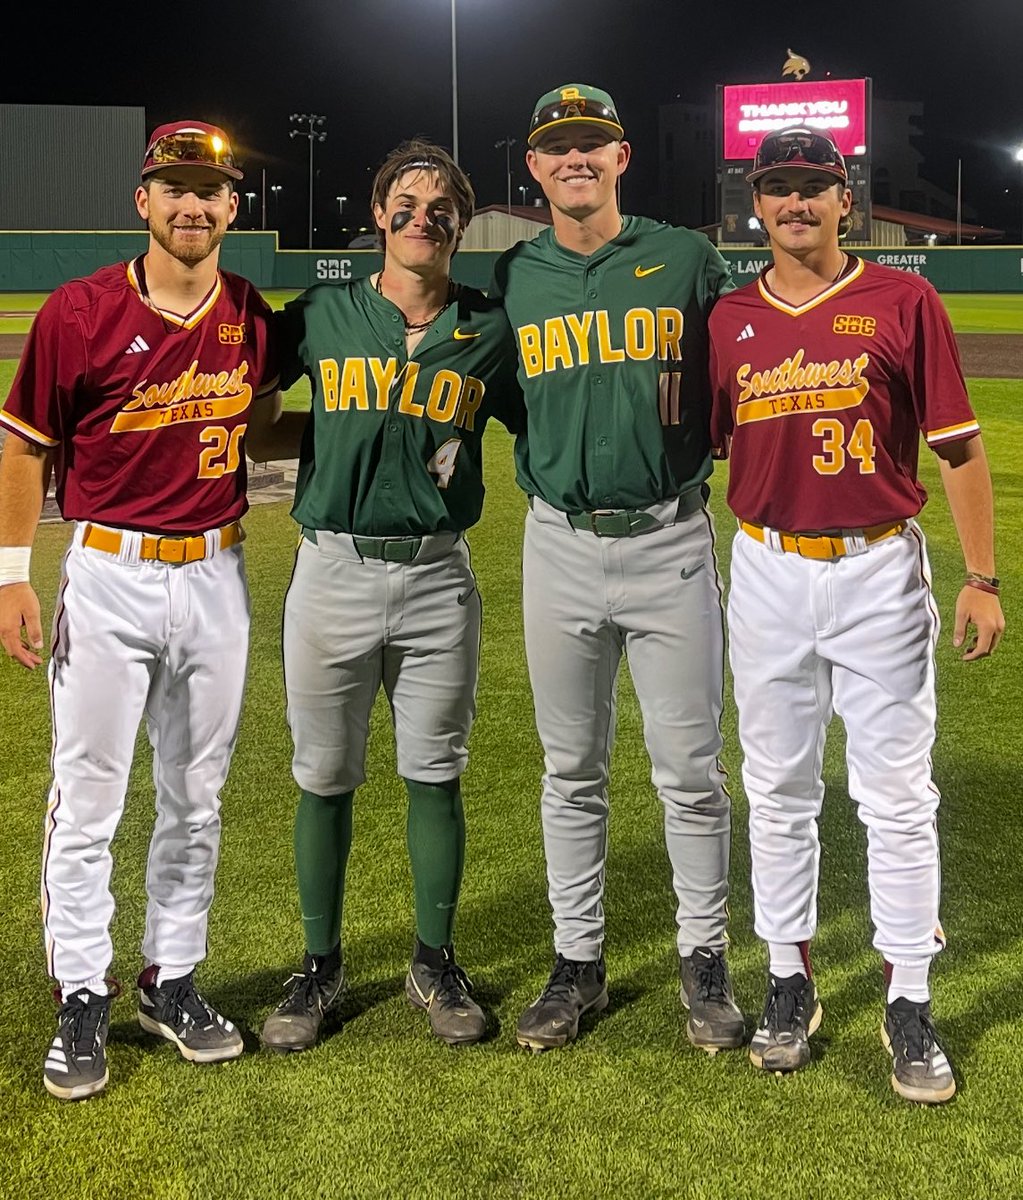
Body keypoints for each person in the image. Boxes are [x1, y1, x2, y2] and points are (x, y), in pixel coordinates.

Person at [708, 126, 1004, 1103]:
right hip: (768, 568)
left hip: (880, 570)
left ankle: (909, 998)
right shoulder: (728, 318)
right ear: (759, 199)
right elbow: (716, 446)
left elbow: (959, 451)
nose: (796, 202)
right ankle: (788, 980)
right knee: (779, 788)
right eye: (779, 186)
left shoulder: (902, 298)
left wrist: (982, 578)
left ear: (847, 198)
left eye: (814, 186)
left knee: (898, 795)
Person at [0, 121, 278, 1100]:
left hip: (217, 574)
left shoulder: (251, 310)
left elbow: (271, 414)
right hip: (110, 572)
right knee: (89, 796)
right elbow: (26, 447)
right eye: (176, 187)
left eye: (211, 189)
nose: (193, 204)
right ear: (143, 201)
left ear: (232, 208)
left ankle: (173, 976)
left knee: (197, 795)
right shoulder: (77, 311)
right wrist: (10, 573)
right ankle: (83, 990)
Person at [248, 140, 523, 1052]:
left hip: (438, 576)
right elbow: (248, 399)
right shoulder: (326, 311)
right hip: (332, 569)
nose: (423, 217)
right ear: (377, 216)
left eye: (443, 206)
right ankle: (318, 967)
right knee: (323, 776)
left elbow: (556, 412)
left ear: (461, 223)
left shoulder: (491, 326)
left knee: (434, 772)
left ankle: (433, 959)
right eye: (405, 202)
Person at [490, 84, 744, 1054]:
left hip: (669, 536)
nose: (576, 158)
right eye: (558, 147)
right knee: (571, 770)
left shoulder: (684, 258)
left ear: (622, 155)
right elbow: (499, 399)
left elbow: (738, 374)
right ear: (536, 167)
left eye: (592, 142)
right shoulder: (516, 275)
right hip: (556, 541)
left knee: (689, 772)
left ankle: (704, 959)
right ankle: (577, 962)